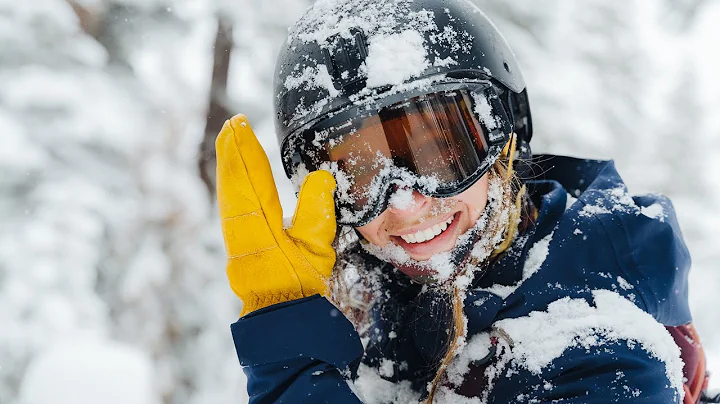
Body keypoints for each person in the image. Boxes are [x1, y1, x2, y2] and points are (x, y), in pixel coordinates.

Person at [215, 0, 716, 402]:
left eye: (437, 156)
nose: (406, 204)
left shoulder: (595, 348)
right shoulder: (383, 303)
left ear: (503, 138)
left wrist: (292, 363)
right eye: (361, 178)